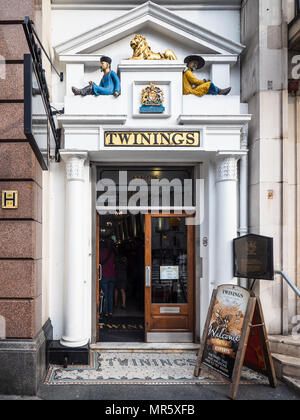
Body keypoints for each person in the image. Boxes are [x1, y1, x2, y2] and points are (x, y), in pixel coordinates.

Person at [99, 239, 117, 317]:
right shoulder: (113, 253)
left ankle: (106, 312)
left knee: (105, 295)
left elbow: (99, 262)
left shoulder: (102, 252)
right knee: (110, 295)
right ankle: (110, 312)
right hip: (112, 276)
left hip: (105, 276)